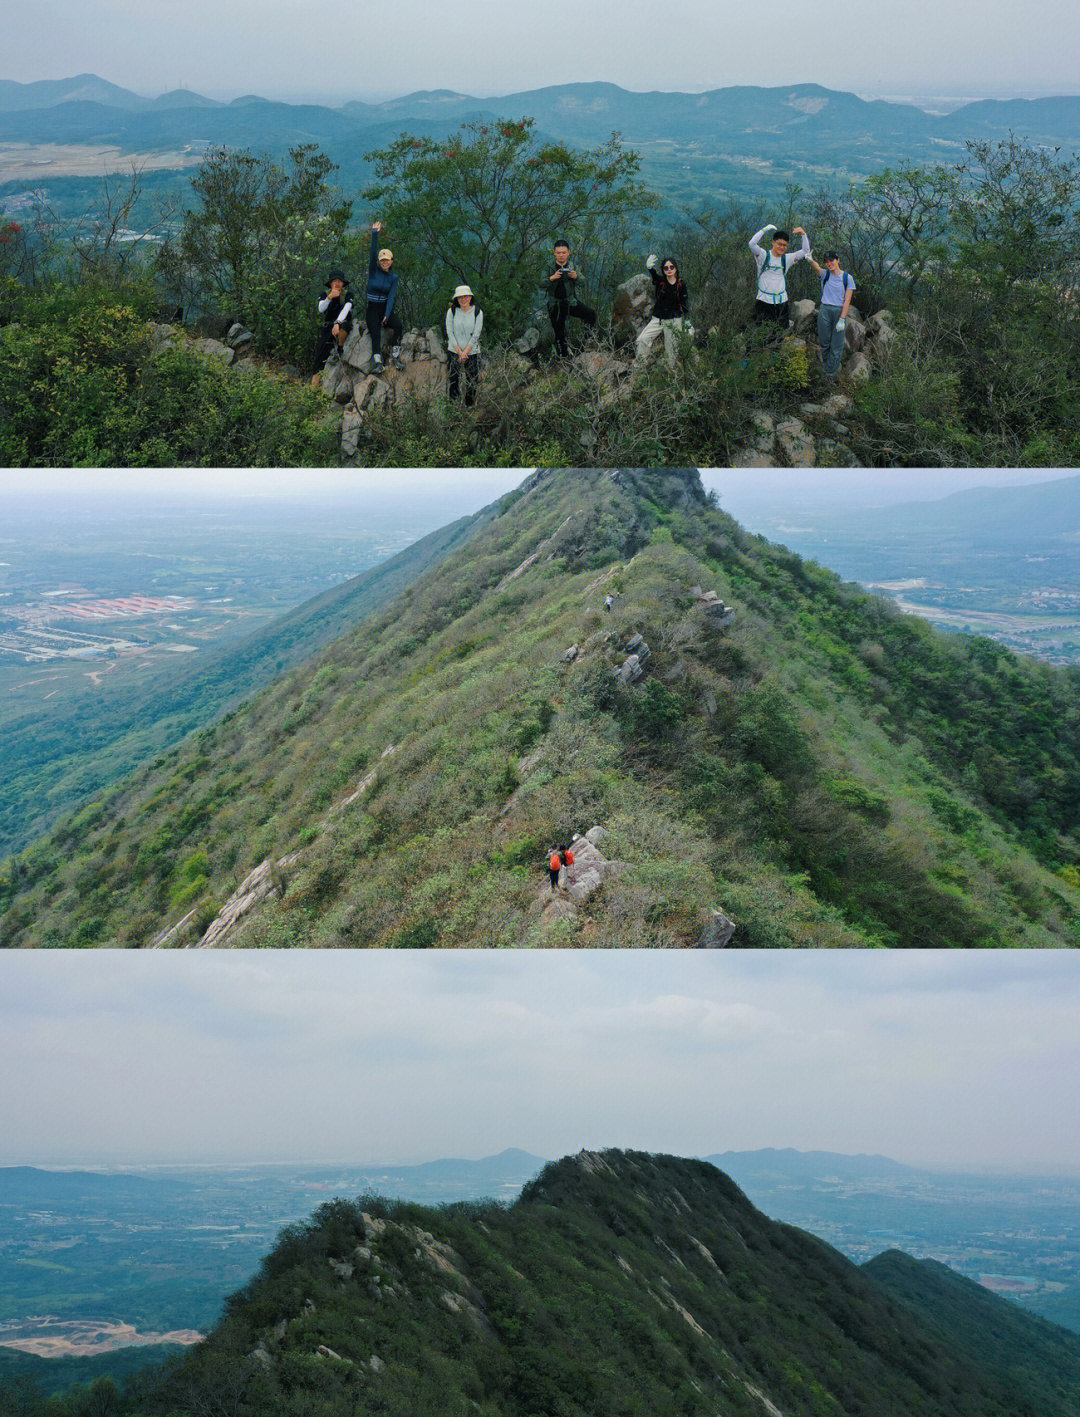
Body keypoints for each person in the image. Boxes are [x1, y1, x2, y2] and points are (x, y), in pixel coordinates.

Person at [748, 223, 811, 330]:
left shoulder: (787, 259)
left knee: (779, 333)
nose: (782, 247)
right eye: (779, 244)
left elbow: (805, 251)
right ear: (773, 242)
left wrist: (803, 235)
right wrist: (765, 229)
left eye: (784, 245)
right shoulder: (763, 255)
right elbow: (752, 244)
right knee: (758, 333)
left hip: (781, 302)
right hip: (763, 301)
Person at [635, 254, 692, 368]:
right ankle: (639, 366)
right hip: (658, 319)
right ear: (663, 270)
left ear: (676, 268)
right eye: (666, 268)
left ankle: (670, 375)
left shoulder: (681, 284)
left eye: (672, 267)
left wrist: (687, 322)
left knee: (671, 352)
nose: (669, 270)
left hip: (674, 320)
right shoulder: (661, 282)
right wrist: (650, 268)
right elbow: (654, 276)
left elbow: (684, 302)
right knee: (642, 340)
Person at [807, 248, 856, 378]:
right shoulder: (825, 274)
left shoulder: (847, 278)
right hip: (825, 310)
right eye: (827, 262)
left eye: (832, 260)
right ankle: (828, 367)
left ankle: (830, 373)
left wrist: (842, 318)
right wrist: (810, 260)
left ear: (838, 260)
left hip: (839, 311)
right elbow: (816, 267)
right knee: (824, 341)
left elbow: (847, 300)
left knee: (837, 344)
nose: (829, 263)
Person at [546, 240, 596, 357]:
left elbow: (583, 282)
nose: (561, 255)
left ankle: (588, 342)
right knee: (559, 333)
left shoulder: (573, 266)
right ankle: (562, 359)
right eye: (558, 253)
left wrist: (576, 277)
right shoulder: (549, 267)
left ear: (569, 253)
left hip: (570, 302)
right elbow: (539, 283)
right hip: (555, 304)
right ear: (554, 253)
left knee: (590, 314)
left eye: (563, 252)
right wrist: (551, 278)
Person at [366, 221, 403, 371]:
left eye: (387, 260)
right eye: (382, 260)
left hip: (385, 308)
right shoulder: (373, 271)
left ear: (391, 261)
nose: (384, 262)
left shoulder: (393, 278)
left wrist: (387, 315)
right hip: (372, 309)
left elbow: (391, 297)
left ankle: (395, 356)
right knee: (375, 332)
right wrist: (375, 233)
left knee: (398, 326)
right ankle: (377, 362)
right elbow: (372, 252)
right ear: (379, 262)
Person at [445, 284, 483, 405]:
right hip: (454, 351)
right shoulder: (452, 312)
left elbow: (476, 334)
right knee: (453, 380)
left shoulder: (477, 312)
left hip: (471, 352)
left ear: (470, 297)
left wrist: (465, 352)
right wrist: (459, 352)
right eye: (460, 297)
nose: (463, 299)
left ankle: (469, 407)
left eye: (466, 296)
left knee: (472, 380)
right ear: (456, 299)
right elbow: (449, 332)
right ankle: (453, 407)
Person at [312, 271, 352, 383]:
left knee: (345, 326)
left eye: (339, 281)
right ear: (330, 283)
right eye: (334, 281)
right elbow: (321, 309)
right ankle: (313, 390)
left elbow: (346, 309)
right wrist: (329, 298)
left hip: (342, 324)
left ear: (343, 283)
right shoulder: (325, 294)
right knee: (319, 357)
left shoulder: (348, 295)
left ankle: (339, 349)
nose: (337, 283)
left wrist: (337, 323)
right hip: (328, 327)